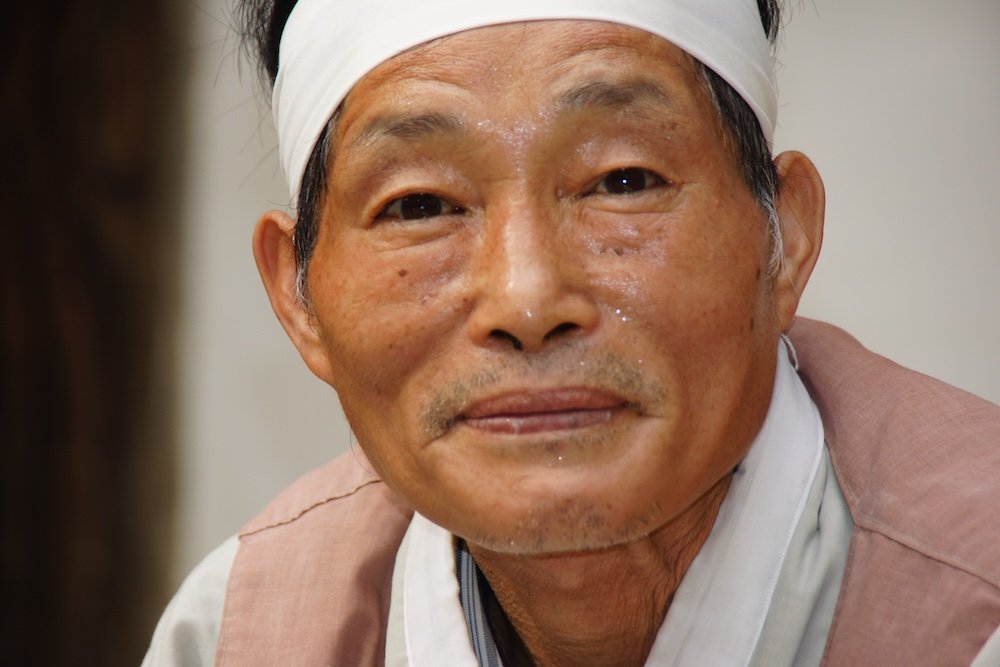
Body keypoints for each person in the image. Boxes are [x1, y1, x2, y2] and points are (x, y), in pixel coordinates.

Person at [145, 0, 1000, 664]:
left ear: (785, 241)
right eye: (420, 205)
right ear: (298, 296)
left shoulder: (975, 612)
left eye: (622, 180)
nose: (525, 299)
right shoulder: (239, 635)